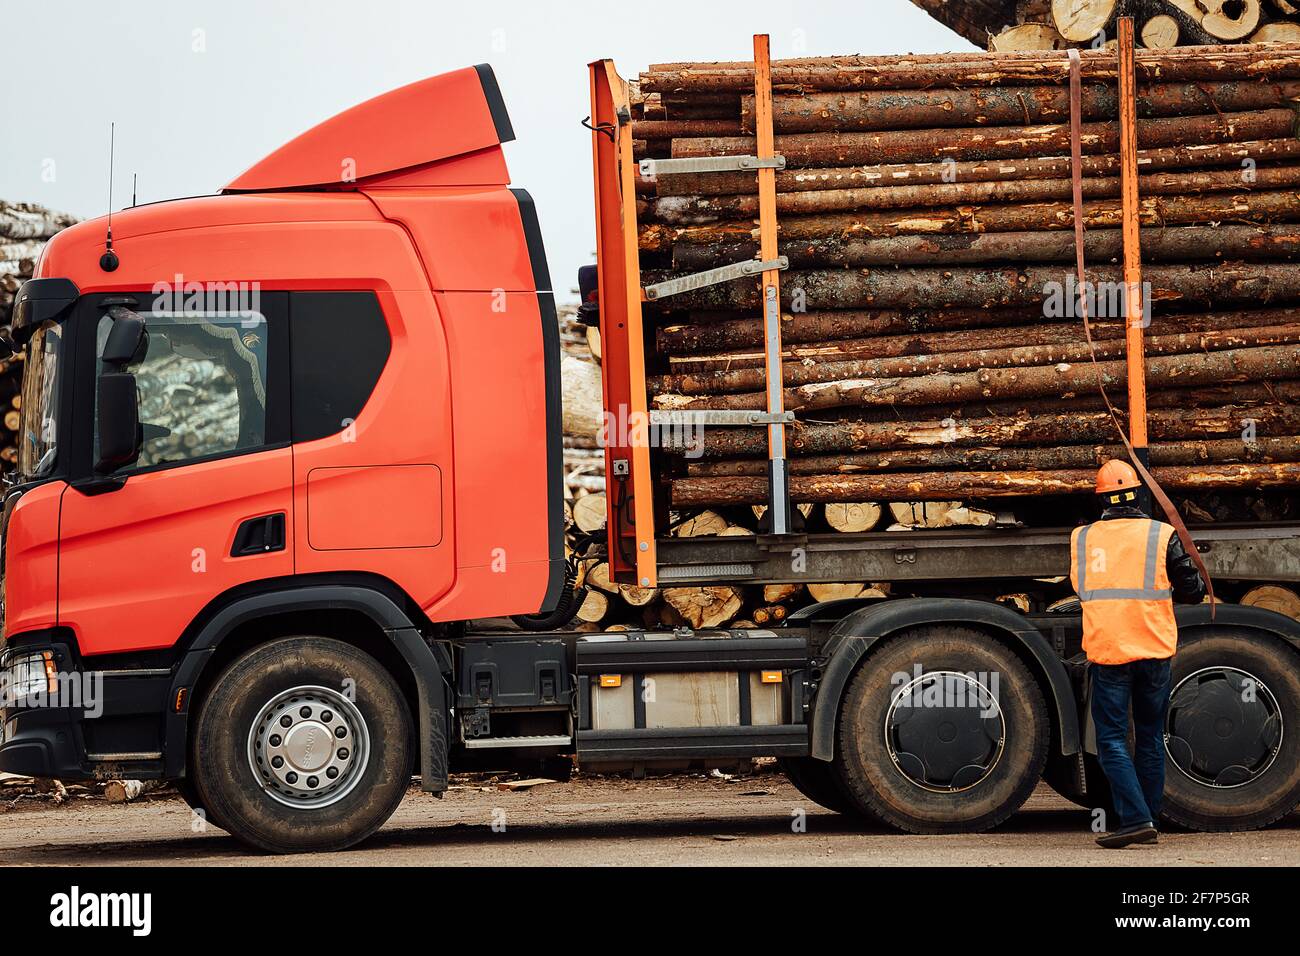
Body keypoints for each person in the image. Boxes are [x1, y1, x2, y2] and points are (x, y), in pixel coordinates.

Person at [1069, 460, 1206, 849]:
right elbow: (1193, 591)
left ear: (1101, 500)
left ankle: (1136, 820)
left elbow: (1081, 586)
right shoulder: (1162, 534)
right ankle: (1148, 818)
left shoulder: (1082, 538)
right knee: (1149, 737)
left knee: (1111, 739)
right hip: (1154, 649)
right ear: (1137, 495)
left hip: (1110, 651)